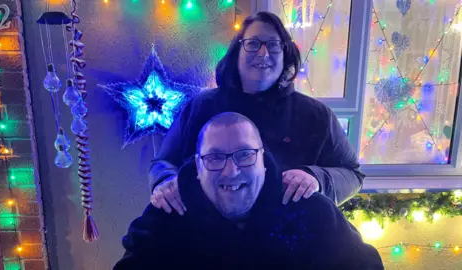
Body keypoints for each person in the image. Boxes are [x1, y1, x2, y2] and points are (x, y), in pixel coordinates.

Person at [149, 11, 364, 216]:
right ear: (237, 52)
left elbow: (352, 174)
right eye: (253, 44)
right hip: (206, 239)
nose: (263, 53)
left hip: (288, 243)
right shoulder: (201, 106)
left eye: (273, 45)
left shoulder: (316, 116)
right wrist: (165, 181)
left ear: (285, 54)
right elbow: (164, 162)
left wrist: (318, 179)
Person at [115, 112, 383, 269]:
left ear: (263, 161)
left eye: (244, 155)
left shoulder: (309, 211)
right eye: (215, 158)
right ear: (197, 166)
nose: (230, 171)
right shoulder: (166, 218)